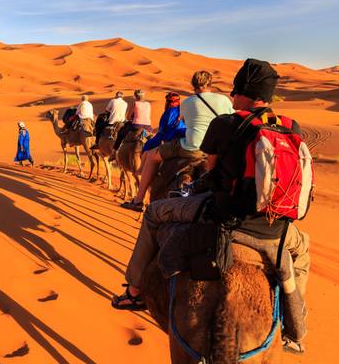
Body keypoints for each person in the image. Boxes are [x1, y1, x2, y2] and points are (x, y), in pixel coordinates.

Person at [111, 59, 310, 354]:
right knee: (302, 249)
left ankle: (135, 289)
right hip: (275, 228)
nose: (232, 97)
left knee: (154, 214)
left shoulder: (225, 123)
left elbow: (211, 169)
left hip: (225, 217)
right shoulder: (289, 127)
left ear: (242, 92)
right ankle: (295, 326)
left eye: (235, 92)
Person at [121, 71, 233, 211]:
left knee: (151, 156)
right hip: (218, 148)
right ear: (211, 83)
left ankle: (138, 200)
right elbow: (231, 120)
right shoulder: (224, 100)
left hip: (192, 148)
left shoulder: (187, 102)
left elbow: (184, 122)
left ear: (193, 85)